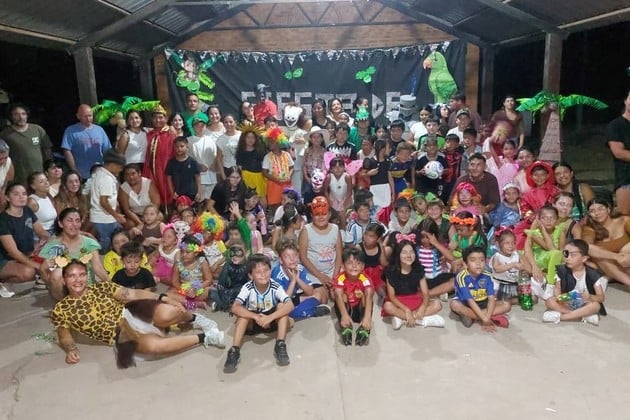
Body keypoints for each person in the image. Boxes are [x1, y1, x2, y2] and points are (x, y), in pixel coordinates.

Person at [51, 260, 224, 367]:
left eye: (81, 275)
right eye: (72, 276)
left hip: (132, 312)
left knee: (168, 312)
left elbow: (132, 294)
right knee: (154, 347)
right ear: (64, 280)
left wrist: (163, 297)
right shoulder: (61, 309)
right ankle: (206, 337)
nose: (78, 280)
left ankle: (195, 318)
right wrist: (71, 350)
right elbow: (64, 335)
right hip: (119, 333)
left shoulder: (101, 287)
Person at [223, 254, 294, 373]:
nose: (263, 274)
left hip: (271, 321)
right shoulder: (248, 287)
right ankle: (234, 350)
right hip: (254, 321)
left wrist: (270, 318)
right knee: (242, 316)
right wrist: (255, 316)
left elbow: (290, 304)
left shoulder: (275, 286)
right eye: (258, 272)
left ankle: (280, 344)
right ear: (251, 275)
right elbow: (235, 307)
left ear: (270, 270)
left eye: (266, 270)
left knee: (282, 306)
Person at [39, 207, 108, 300]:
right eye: (70, 220)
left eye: (77, 221)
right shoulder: (54, 246)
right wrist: (49, 281)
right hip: (64, 290)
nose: (74, 224)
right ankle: (65, 303)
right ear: (60, 223)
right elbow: (45, 272)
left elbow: (98, 268)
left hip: (86, 287)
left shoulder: (89, 243)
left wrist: (113, 287)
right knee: (57, 273)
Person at [382, 236, 444, 330]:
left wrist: (423, 307)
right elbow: (392, 297)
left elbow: (425, 293)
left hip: (415, 299)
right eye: (404, 252)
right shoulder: (390, 271)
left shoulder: (419, 269)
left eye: (411, 252)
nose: (408, 255)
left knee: (437, 304)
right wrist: (406, 310)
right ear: (398, 255)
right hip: (399, 302)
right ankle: (421, 320)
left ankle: (403, 319)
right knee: (387, 306)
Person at [0, 182, 50, 297]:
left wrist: (45, 238)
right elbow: (13, 253)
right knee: (28, 272)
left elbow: (41, 231)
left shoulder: (27, 211)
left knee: (56, 252)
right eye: (16, 194)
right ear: (7, 198)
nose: (21, 197)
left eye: (24, 194)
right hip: (6, 259)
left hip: (27, 253)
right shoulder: (3, 220)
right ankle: (4, 282)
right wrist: (38, 266)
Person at [542, 239, 607, 325]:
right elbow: (557, 291)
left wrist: (590, 297)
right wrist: (563, 298)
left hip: (585, 303)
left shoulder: (592, 274)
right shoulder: (562, 271)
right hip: (566, 302)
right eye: (566, 254)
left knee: (596, 306)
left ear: (584, 258)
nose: (568, 258)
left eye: (573, 255)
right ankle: (581, 316)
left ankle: (561, 317)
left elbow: (601, 297)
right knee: (549, 301)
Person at [450, 245, 511, 330]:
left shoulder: (488, 275)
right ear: (465, 264)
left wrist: (486, 318)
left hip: (483, 302)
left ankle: (472, 316)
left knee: (506, 305)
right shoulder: (461, 277)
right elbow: (470, 300)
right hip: (466, 303)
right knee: (454, 305)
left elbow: (491, 298)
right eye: (473, 260)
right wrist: (485, 319)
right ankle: (485, 316)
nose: (478, 263)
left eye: (482, 260)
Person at [272, 237, 330, 319]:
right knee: (283, 307)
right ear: (281, 260)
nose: (292, 259)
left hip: (294, 298)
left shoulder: (300, 268)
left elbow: (310, 292)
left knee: (318, 295)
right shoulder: (277, 273)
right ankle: (309, 312)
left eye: (295, 255)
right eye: (287, 256)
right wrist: (293, 281)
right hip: (281, 302)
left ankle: (300, 312)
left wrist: (297, 279)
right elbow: (283, 299)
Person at [0, 103, 53, 185]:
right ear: (11, 116)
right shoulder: (5, 134)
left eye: (23, 114)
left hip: (39, 177)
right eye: (16, 114)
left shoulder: (37, 129)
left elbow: (47, 150)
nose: (21, 117)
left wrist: (49, 168)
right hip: (18, 179)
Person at [581, 198, 630, 286]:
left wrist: (626, 250)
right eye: (592, 211)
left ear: (608, 209)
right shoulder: (590, 228)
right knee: (600, 258)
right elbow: (586, 246)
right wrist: (617, 257)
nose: (597, 213)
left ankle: (611, 276)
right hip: (607, 265)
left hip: (626, 259)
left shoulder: (624, 220)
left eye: (600, 209)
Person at [333, 247, 374, 346]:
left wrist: (367, 317)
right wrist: (344, 315)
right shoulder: (340, 278)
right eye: (350, 263)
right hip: (346, 308)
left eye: (358, 263)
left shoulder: (365, 279)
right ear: (343, 266)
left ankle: (364, 325)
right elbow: (337, 295)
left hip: (358, 308)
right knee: (340, 293)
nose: (354, 266)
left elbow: (369, 296)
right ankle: (346, 325)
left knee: (367, 294)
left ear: (363, 266)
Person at [299, 196, 342, 288]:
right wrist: (320, 276)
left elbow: (339, 255)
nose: (321, 217)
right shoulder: (306, 230)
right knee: (320, 294)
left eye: (324, 214)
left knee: (339, 292)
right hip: (313, 274)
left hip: (333, 273)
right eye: (317, 214)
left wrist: (335, 277)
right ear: (311, 215)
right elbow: (303, 257)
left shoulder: (335, 229)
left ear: (329, 214)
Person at [62, 104, 111, 181]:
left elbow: (107, 150)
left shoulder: (99, 130)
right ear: (78, 116)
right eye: (85, 116)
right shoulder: (71, 131)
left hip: (99, 172)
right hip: (82, 174)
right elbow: (67, 150)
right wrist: (74, 170)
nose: (88, 119)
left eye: (90, 116)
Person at [90, 150, 126, 252]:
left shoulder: (100, 174)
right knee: (106, 242)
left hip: (104, 217)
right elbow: (103, 202)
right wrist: (117, 215)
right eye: (120, 167)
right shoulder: (106, 179)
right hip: (104, 218)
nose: (121, 170)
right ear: (112, 165)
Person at [143, 104, 175, 209]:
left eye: (160, 117)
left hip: (166, 169)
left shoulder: (170, 133)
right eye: (155, 118)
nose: (158, 120)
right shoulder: (149, 134)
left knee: (167, 191)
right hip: (151, 170)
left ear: (166, 119)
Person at [606, 89, 630, 215]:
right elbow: (618, 152)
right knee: (626, 219)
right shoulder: (616, 125)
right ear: (626, 101)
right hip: (626, 180)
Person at [188, 113, 222, 200]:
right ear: (193, 127)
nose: (200, 128)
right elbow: (187, 159)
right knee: (199, 201)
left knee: (211, 200)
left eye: (202, 126)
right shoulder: (189, 141)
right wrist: (198, 165)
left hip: (212, 175)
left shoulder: (211, 139)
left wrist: (215, 164)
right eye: (197, 126)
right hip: (199, 177)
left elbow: (216, 155)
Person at [118, 163, 161, 229]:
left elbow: (156, 203)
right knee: (129, 224)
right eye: (127, 174)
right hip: (135, 215)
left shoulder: (149, 183)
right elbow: (127, 210)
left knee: (160, 217)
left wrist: (148, 216)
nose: (130, 177)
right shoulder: (123, 188)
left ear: (139, 173)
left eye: (133, 174)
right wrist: (139, 222)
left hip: (150, 212)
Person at [211, 241, 249, 312]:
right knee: (212, 291)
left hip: (243, 290)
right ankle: (227, 304)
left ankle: (224, 304)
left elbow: (250, 284)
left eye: (238, 253)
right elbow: (221, 282)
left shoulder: (248, 265)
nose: (234, 256)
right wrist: (223, 291)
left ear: (246, 253)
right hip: (230, 290)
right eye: (232, 253)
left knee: (244, 290)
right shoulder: (228, 264)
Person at [490, 229, 524, 305]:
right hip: (500, 284)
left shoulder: (515, 254)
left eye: (513, 243)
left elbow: (522, 266)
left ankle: (508, 301)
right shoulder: (497, 256)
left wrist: (521, 267)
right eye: (507, 243)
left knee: (530, 298)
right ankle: (502, 302)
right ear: (499, 244)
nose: (510, 246)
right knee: (501, 299)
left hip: (513, 283)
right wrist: (512, 265)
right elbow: (497, 269)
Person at [262, 128, 294, 210]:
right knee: (275, 207)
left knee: (288, 204)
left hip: (286, 184)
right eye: (269, 142)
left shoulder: (286, 155)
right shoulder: (267, 157)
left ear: (279, 142)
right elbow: (264, 172)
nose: (270, 144)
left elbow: (291, 167)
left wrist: (289, 176)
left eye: (272, 142)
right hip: (274, 186)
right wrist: (276, 180)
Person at [166, 136, 201, 205]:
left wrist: (199, 192)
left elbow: (198, 177)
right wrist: (172, 192)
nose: (179, 149)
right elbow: (169, 179)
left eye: (182, 146)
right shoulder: (171, 163)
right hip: (178, 195)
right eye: (177, 147)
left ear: (187, 147)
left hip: (192, 194)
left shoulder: (193, 162)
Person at [27, 171, 57, 237]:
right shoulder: (32, 202)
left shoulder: (49, 197)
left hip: (55, 231)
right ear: (33, 186)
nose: (46, 183)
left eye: (46, 180)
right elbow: (26, 223)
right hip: (41, 235)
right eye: (41, 181)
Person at [0, 140, 15, 207]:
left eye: (5, 157)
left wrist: (3, 194)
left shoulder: (8, 162)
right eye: (0, 159)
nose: (3, 161)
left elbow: (6, 183)